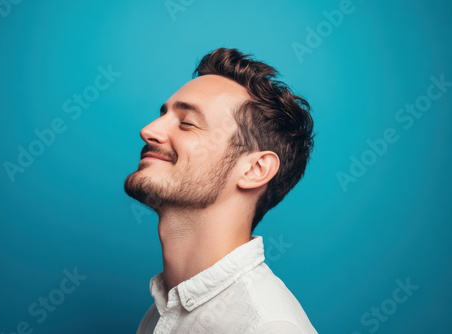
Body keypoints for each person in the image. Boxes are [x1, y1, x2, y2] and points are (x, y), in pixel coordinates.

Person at [124, 48, 316, 333]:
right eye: (162, 115)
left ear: (255, 169)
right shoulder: (160, 314)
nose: (148, 130)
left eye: (187, 124)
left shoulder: (268, 327)